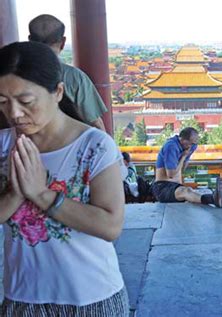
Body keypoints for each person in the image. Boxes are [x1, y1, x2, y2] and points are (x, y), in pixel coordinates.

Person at [0, 42, 128, 315]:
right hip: (23, 296)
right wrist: (15, 192)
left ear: (57, 92)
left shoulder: (94, 147)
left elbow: (110, 226)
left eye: (26, 102)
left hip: (91, 297)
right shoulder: (3, 145)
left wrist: (42, 194)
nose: (14, 114)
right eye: (2, 102)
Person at [28, 14, 107, 131]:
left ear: (30, 40)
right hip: (69, 143)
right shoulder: (74, 77)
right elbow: (95, 123)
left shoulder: (13, 75)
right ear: (63, 42)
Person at [152, 127, 222, 208]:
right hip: (162, 187)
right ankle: (213, 199)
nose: (193, 146)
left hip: (176, 186)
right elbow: (171, 174)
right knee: (185, 191)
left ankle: (215, 197)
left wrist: (186, 157)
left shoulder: (188, 147)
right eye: (192, 143)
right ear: (183, 140)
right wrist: (183, 157)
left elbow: (182, 169)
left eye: (195, 144)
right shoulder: (171, 146)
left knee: (189, 190)